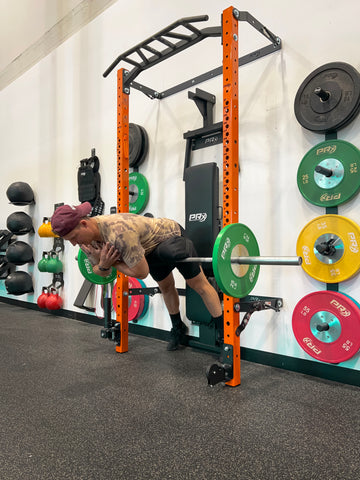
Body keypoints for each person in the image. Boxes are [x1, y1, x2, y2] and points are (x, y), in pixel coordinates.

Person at [51, 202, 223, 350]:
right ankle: (178, 327)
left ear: (84, 224)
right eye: (69, 240)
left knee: (197, 284)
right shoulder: (87, 241)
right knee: (166, 287)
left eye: (73, 237)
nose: (74, 243)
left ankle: (224, 335)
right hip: (148, 250)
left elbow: (141, 272)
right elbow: (100, 273)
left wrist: (113, 263)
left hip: (171, 238)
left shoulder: (118, 234)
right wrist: (103, 264)